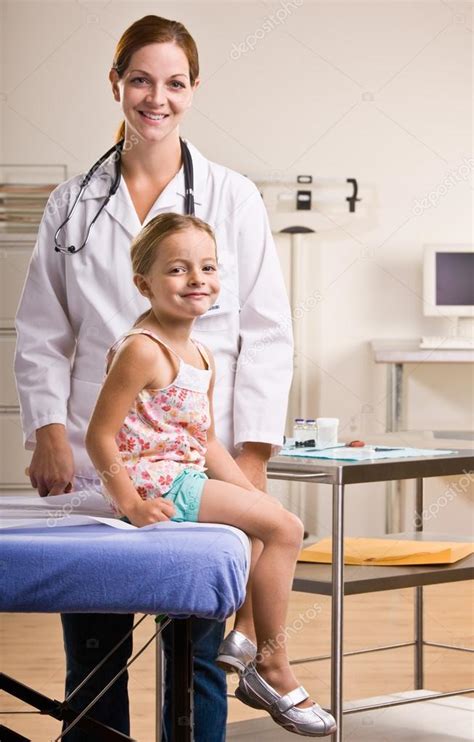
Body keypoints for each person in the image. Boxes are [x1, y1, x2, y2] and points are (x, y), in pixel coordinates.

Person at [14, 14, 294, 742]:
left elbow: (266, 334)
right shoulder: (71, 203)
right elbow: (44, 330)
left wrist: (251, 465)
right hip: (94, 450)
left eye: (174, 82)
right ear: (117, 85)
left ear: (194, 90)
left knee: (196, 650)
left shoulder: (232, 199)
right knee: (96, 649)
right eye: (140, 79)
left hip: (201, 455)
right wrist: (48, 431)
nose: (156, 97)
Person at [85, 211, 336, 738]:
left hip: (185, 473)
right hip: (157, 484)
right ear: (143, 284)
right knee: (286, 530)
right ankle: (270, 666)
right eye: (178, 269)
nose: (197, 278)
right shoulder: (141, 350)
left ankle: (243, 638)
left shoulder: (201, 353)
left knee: (275, 523)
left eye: (207, 267)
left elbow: (205, 441)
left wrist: (253, 497)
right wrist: (131, 504)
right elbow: (100, 437)